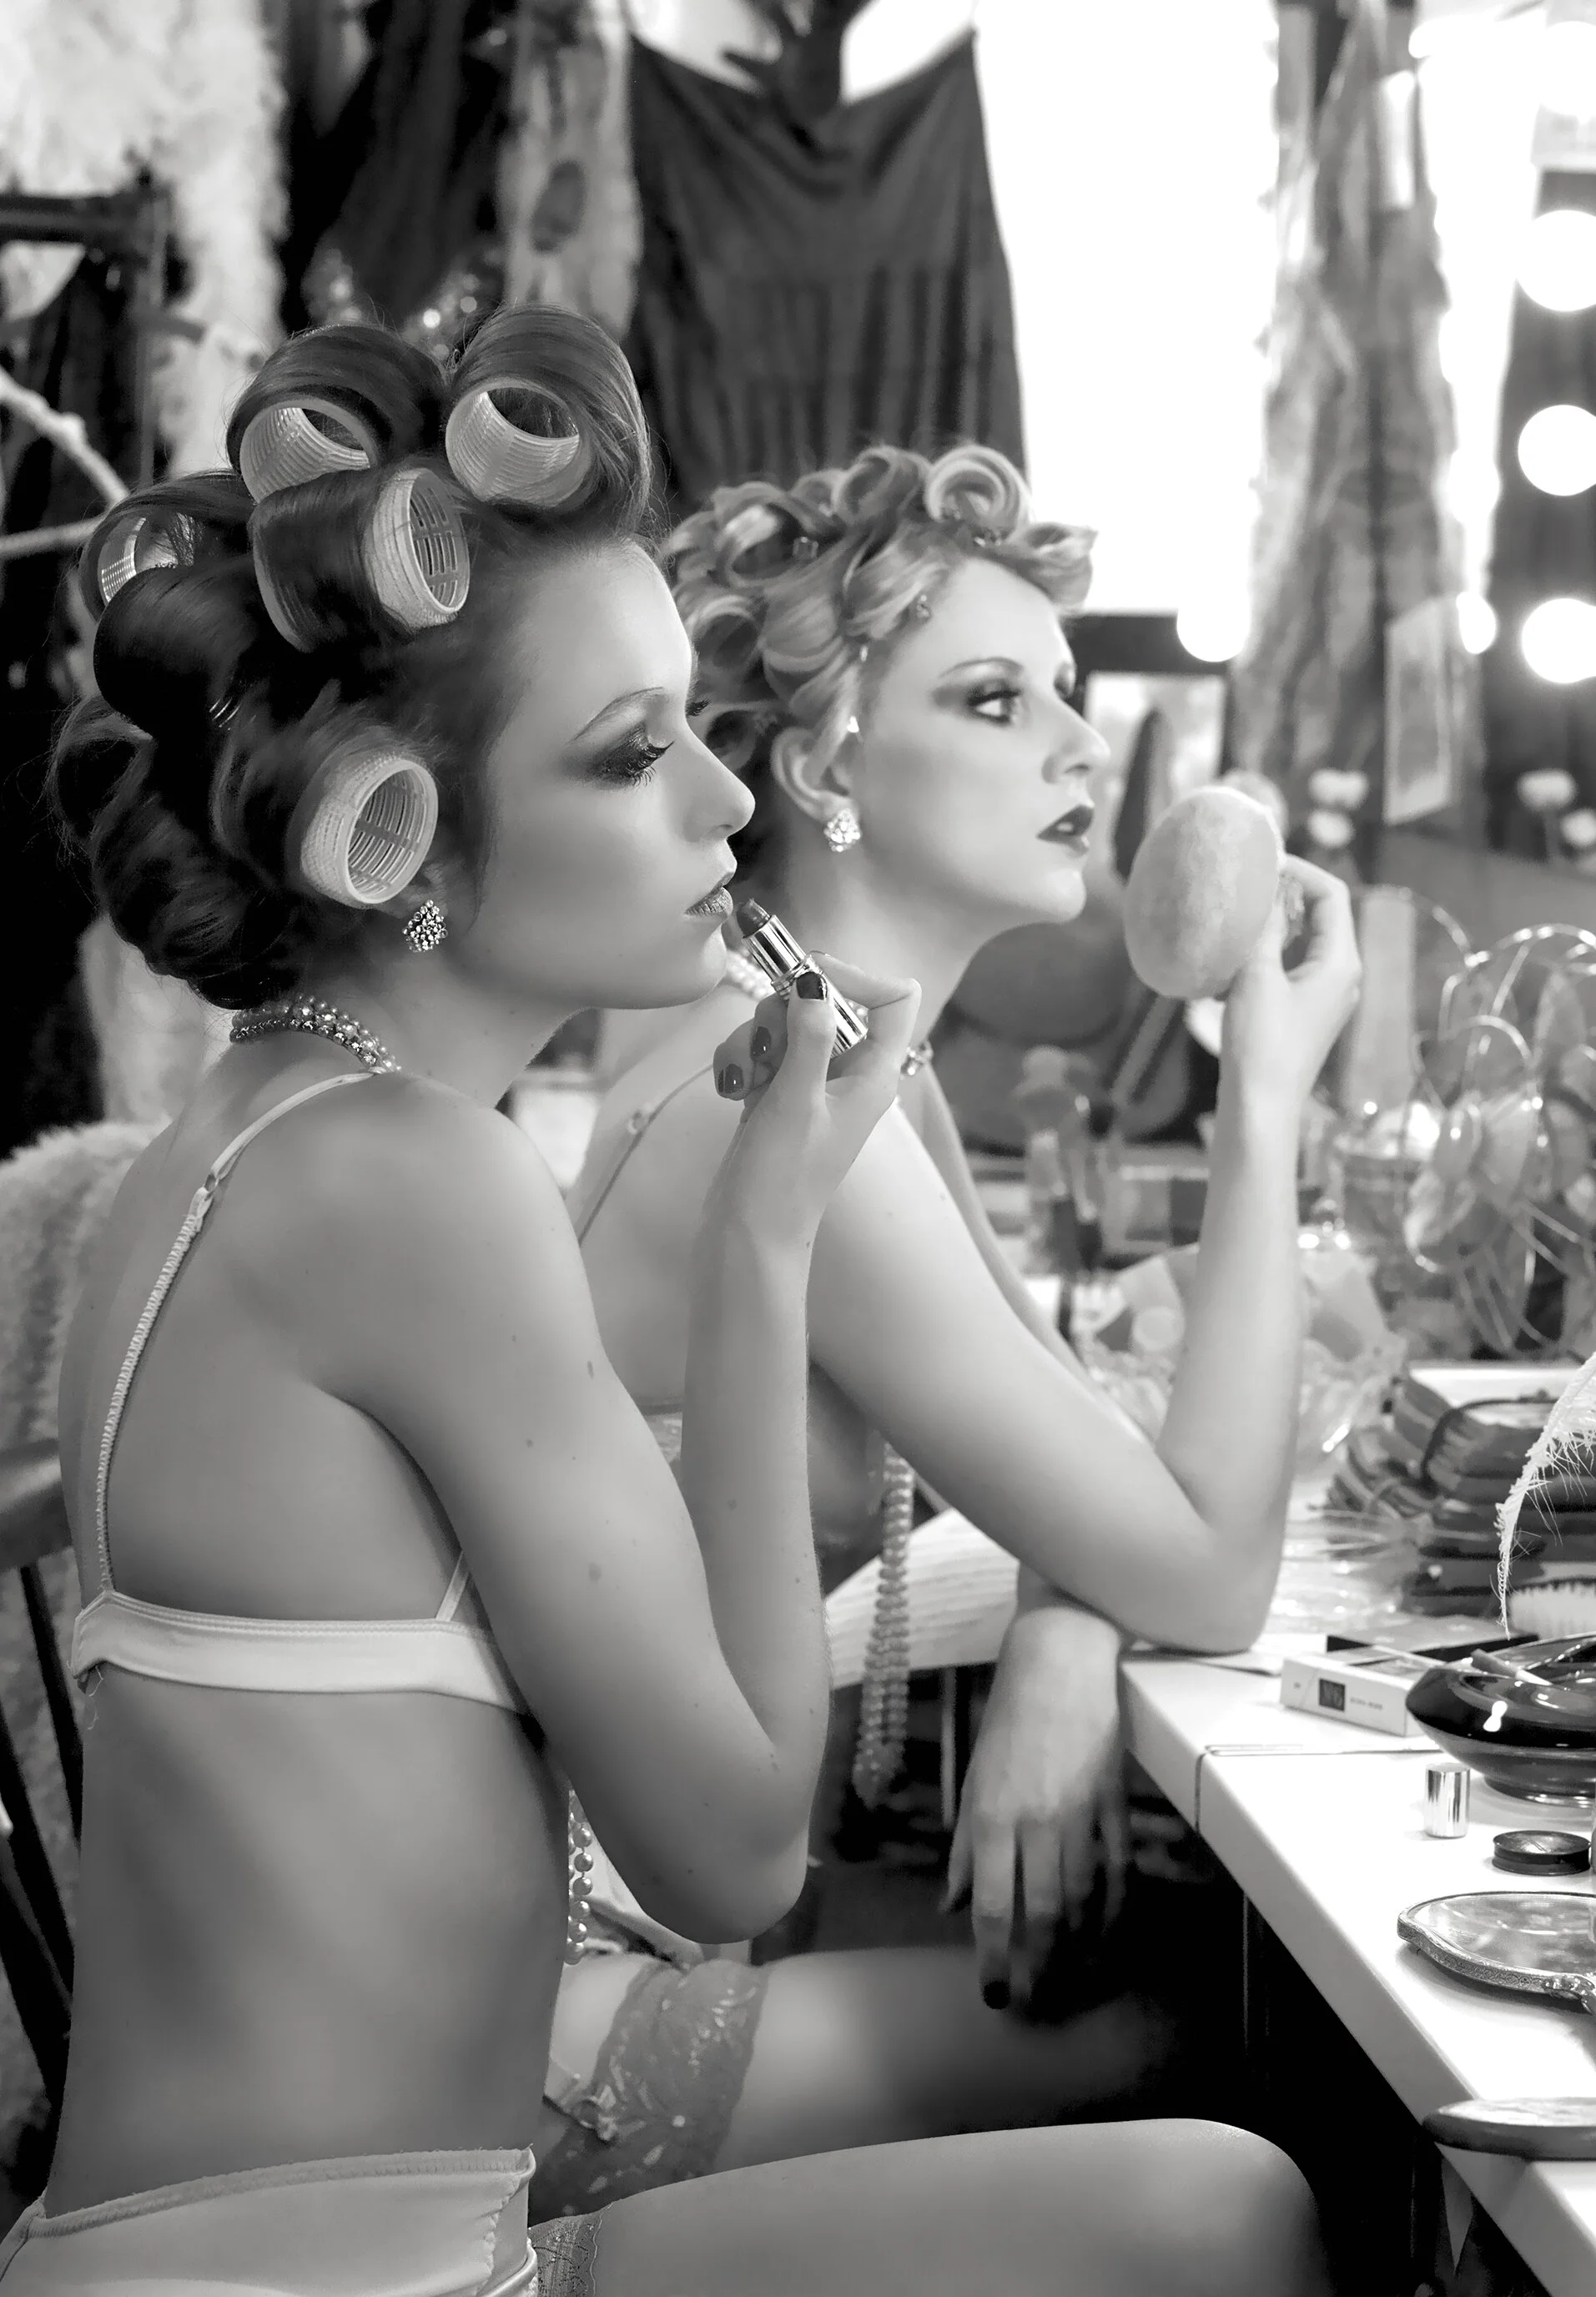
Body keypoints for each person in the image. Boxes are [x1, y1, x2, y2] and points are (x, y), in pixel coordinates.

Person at [2, 307, 1337, 2296]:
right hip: (345, 2279)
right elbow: (732, 1857)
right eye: (633, 754)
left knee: (1216, 2155)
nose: (721, 807)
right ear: (405, 835)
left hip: (282, 2236)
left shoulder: (271, 1128)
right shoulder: (417, 1179)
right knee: (1233, 2189)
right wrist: (763, 1254)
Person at [559, 441, 1362, 2205]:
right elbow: (1207, 1560)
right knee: (1252, 2042)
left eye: (1063, 695)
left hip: (675, 1911)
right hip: (559, 2002)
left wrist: (1074, 1629)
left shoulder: (849, 1059)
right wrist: (1263, 1104)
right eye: (995, 700)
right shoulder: (793, 1107)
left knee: (1210, 1977)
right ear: (821, 762)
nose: (1082, 747)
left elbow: (1102, 1483)